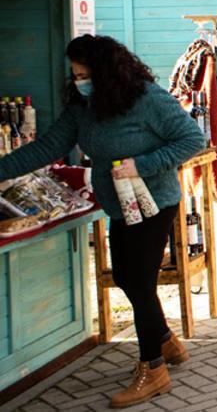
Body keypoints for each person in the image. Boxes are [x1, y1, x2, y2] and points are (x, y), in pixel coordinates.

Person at [0, 35, 205, 408]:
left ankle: (153, 369)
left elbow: (192, 138)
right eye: (75, 75)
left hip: (153, 203)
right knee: (127, 277)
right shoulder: (83, 105)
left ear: (106, 72)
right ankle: (163, 339)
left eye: (84, 74)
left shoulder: (148, 98)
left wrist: (140, 165)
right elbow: (49, 146)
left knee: (140, 284)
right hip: (118, 205)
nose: (79, 80)